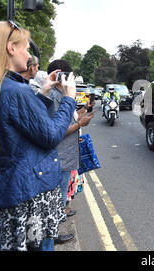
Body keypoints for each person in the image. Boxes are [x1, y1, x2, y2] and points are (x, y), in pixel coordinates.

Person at [0, 21, 77, 251]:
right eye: (25, 47)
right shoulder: (17, 91)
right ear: (10, 48)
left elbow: (21, 121)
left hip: (7, 188)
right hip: (27, 193)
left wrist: (44, 90)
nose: (28, 54)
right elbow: (50, 135)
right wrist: (68, 98)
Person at [47, 60, 95, 222]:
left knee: (60, 195)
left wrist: (84, 110)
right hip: (60, 157)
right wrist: (80, 124)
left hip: (65, 156)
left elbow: (69, 118)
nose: (73, 80)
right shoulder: (54, 97)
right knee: (57, 198)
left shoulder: (61, 95)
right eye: (71, 76)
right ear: (62, 75)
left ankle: (56, 228)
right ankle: (53, 236)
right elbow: (57, 130)